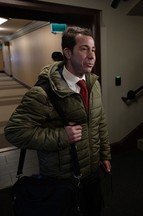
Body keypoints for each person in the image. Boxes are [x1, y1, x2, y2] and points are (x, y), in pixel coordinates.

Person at [4, 26, 111, 216]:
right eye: (84, 49)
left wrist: (104, 154)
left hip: (93, 172)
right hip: (62, 179)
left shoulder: (94, 83)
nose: (92, 56)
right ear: (67, 53)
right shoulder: (44, 92)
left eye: (93, 49)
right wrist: (61, 136)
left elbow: (99, 121)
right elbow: (14, 131)